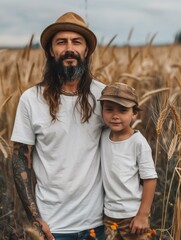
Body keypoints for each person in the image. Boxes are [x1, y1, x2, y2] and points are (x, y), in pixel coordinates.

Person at [11, 12, 106, 240]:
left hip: (97, 224)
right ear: (51, 51)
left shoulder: (104, 97)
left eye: (76, 41)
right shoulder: (31, 99)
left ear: (86, 50)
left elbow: (124, 145)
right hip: (53, 227)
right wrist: (35, 219)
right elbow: (19, 159)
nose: (69, 48)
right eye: (61, 42)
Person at [98, 82, 158, 240]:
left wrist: (143, 215)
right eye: (109, 109)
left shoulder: (138, 142)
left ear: (135, 113)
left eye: (123, 110)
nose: (115, 116)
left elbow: (150, 179)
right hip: (109, 216)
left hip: (133, 217)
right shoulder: (103, 136)